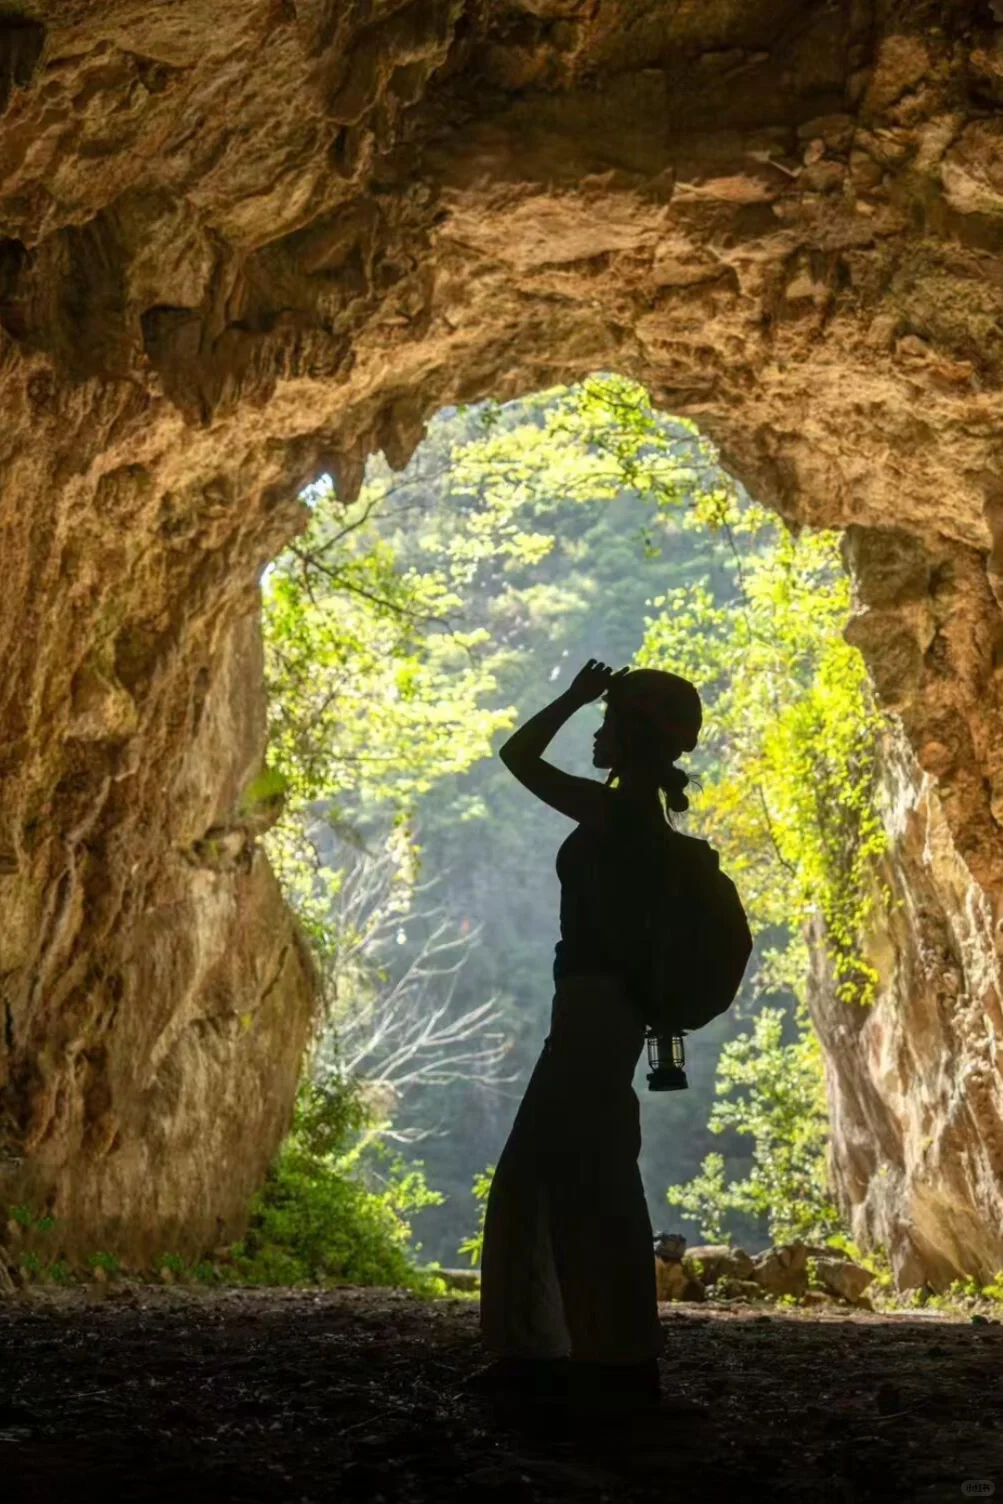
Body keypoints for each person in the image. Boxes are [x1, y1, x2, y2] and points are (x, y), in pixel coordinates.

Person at [473, 657, 704, 1412]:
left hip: (593, 1015)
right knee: (562, 1175)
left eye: (608, 723)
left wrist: (572, 694)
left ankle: (602, 1365)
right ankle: (559, 1355)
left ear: (634, 737)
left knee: (574, 1180)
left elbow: (516, 756)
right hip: (600, 1013)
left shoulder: (615, 814)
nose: (597, 735)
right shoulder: (642, 820)